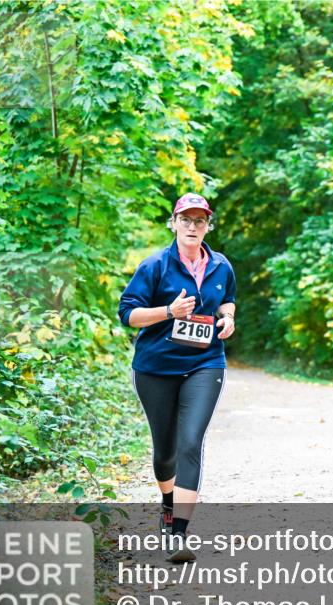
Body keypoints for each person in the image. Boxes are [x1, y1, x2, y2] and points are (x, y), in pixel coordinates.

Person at [118, 193, 236, 562]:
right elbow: (128, 314)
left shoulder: (221, 266)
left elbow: (227, 299)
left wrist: (228, 318)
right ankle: (167, 505)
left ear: (208, 226)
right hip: (155, 368)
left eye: (199, 220)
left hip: (205, 364)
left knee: (190, 442)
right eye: (185, 219)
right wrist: (169, 311)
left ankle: (179, 533)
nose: (192, 226)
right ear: (173, 223)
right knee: (165, 452)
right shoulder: (155, 265)